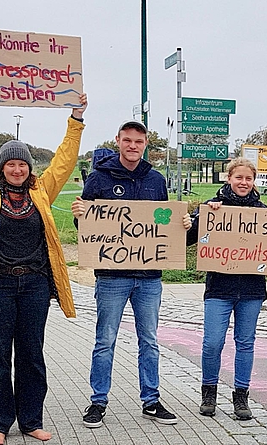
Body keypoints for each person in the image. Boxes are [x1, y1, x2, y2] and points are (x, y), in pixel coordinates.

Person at [0, 83, 87, 445]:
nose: (16, 168)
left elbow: (63, 160)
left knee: (31, 354)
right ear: (1, 168)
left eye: (21, 163)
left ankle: (30, 420)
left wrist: (76, 119)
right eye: (10, 163)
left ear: (28, 167)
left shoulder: (42, 192)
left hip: (35, 286)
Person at [72, 120, 188, 429]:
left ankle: (151, 400)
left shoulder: (156, 180)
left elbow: (163, 223)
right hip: (111, 275)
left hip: (149, 277)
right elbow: (88, 231)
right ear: (118, 141)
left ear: (146, 143)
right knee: (105, 339)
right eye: (127, 140)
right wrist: (80, 217)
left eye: (138, 141)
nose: (133, 145)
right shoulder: (98, 179)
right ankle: (98, 401)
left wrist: (182, 225)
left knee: (149, 340)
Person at [186, 157, 267, 420]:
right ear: (229, 178)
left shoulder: (263, 211)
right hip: (219, 288)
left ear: (254, 181)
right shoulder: (212, 209)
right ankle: (209, 392)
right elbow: (187, 239)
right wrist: (199, 219)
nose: (243, 182)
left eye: (248, 178)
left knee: (246, 343)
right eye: (238, 177)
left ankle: (241, 397)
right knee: (212, 343)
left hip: (251, 290)